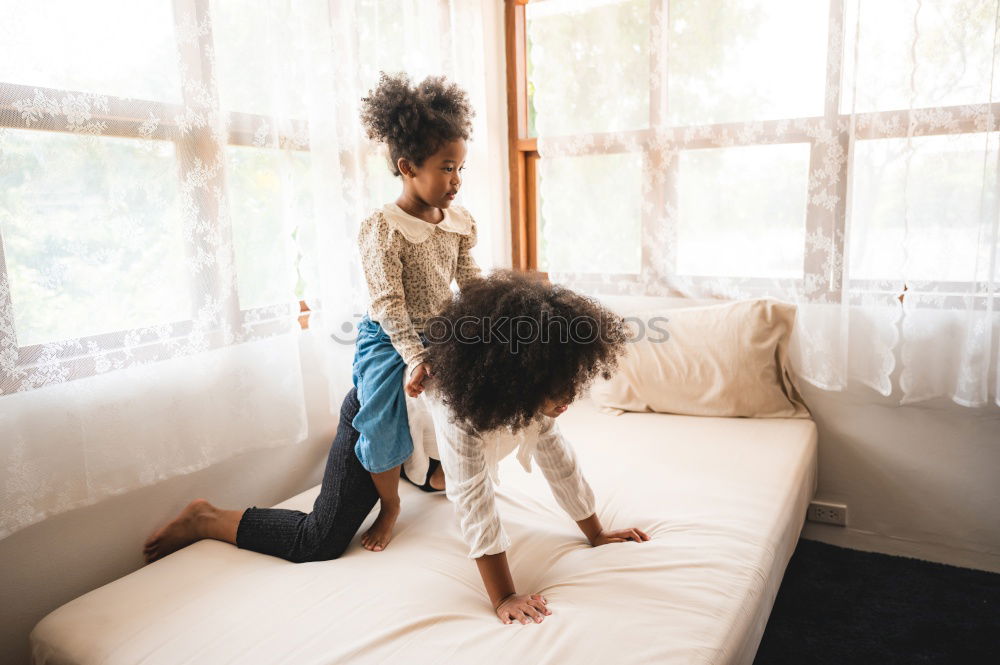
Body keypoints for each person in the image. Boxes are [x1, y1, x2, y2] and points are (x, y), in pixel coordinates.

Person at [420, 269, 651, 625]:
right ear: (519, 377)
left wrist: (597, 533)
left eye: (572, 381)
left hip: (435, 466)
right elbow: (473, 499)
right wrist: (504, 597)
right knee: (322, 538)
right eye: (560, 386)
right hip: (394, 453)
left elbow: (559, 462)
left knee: (448, 475)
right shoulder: (456, 411)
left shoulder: (526, 397)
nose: (570, 397)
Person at [352, 71, 483, 552]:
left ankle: (440, 467)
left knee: (475, 394)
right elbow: (389, 302)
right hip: (392, 336)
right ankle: (389, 506)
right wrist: (413, 355)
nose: (457, 180)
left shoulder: (458, 221)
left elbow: (469, 278)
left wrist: (491, 319)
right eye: (447, 168)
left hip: (443, 327)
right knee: (381, 419)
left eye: (461, 168)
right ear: (408, 167)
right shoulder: (382, 228)